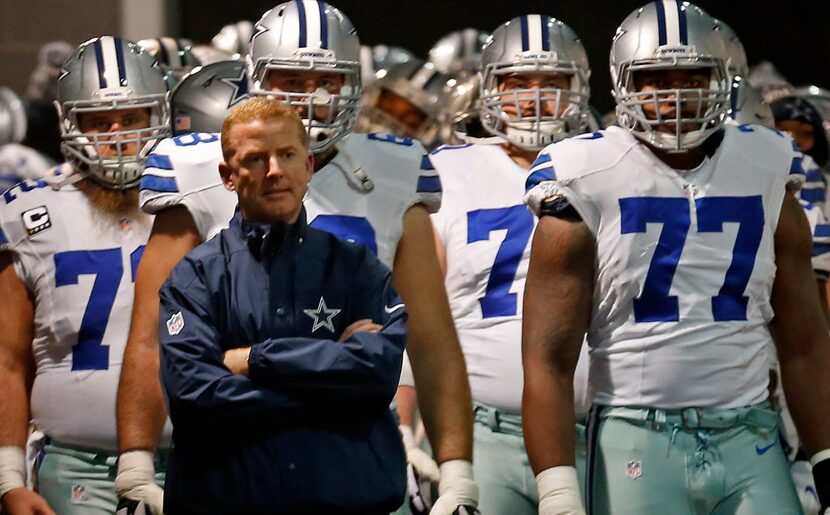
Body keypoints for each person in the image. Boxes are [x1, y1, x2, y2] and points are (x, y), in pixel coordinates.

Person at [115, 2, 477, 514]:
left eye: (326, 82)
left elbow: (432, 337)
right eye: (290, 79)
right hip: (232, 471)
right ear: (254, 79)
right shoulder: (195, 165)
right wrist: (135, 462)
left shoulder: (395, 171)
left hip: (343, 469)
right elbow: (152, 339)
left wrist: (458, 468)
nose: (308, 98)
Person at [522, 3, 830, 514]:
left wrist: (825, 455)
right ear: (623, 84)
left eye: (694, 77)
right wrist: (557, 492)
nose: (676, 94)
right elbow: (548, 359)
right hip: (635, 433)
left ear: (723, 82)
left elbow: (803, 339)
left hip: (749, 429)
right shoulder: (583, 173)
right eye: (655, 78)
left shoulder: (767, 163)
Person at [158, 97, 406, 514]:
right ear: (227, 175)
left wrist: (253, 359)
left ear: (307, 167)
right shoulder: (194, 277)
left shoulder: (356, 267)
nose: (274, 171)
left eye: (287, 155)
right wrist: (333, 394)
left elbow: (377, 375)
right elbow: (196, 398)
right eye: (256, 159)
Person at [428, 14, 592, 515]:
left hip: (595, 431)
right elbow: (422, 313)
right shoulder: (445, 170)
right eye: (517, 81)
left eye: (553, 82)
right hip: (483, 432)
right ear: (489, 89)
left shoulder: (608, 163)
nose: (536, 97)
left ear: (579, 89)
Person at [0, 36, 169, 515]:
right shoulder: (30, 211)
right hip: (74, 466)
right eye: (99, 121)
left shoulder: (199, 199)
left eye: (131, 118)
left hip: (196, 458)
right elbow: (7, 359)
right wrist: (7, 479)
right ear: (71, 123)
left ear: (156, 115)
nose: (116, 134)